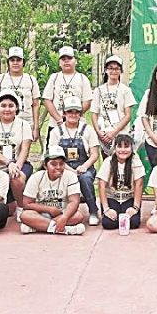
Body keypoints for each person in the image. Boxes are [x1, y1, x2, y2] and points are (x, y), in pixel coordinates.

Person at [48, 96, 101, 225]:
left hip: (84, 165)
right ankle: (54, 210)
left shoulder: (88, 130)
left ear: (80, 113)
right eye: (70, 111)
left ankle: (93, 211)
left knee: (86, 178)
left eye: (76, 111)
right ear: (64, 113)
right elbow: (53, 156)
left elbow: (95, 154)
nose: (73, 114)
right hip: (62, 166)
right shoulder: (56, 132)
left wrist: (84, 166)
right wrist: (68, 169)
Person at [0, 91, 34, 217]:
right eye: (3, 105)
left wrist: (16, 166)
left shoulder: (24, 125)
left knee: (17, 177)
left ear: (16, 107)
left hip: (20, 164)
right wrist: (8, 163)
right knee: (5, 210)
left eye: (11, 105)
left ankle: (21, 207)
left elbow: (25, 149)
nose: (7, 109)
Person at [19, 145, 87, 235]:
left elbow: (74, 202)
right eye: (53, 164)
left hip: (63, 212)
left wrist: (64, 217)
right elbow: (27, 203)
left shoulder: (71, 176)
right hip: (41, 214)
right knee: (25, 215)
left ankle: (38, 227)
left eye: (61, 164)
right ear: (45, 165)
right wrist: (49, 209)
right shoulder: (36, 177)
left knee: (78, 216)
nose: (58, 167)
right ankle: (64, 230)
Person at [43, 45, 93, 145]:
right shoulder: (54, 77)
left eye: (69, 58)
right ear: (59, 62)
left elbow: (87, 101)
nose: (66, 61)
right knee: (52, 155)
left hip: (78, 126)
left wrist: (73, 117)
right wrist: (59, 119)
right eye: (63, 59)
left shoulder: (82, 78)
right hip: (56, 124)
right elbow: (47, 100)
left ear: (75, 61)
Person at [0, 46, 42, 143]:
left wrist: (36, 127)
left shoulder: (31, 79)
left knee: (24, 151)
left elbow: (35, 105)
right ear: (8, 62)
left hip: (26, 121)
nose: (15, 63)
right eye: (12, 60)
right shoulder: (0, 79)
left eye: (18, 60)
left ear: (23, 62)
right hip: (5, 121)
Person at [96, 134, 146, 231]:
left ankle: (122, 214)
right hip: (112, 198)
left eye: (126, 146)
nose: (123, 150)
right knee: (108, 223)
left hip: (129, 198)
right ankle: (117, 214)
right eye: (119, 146)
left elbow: (139, 184)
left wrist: (135, 208)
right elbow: (101, 185)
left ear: (132, 148)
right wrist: (106, 209)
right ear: (114, 148)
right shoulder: (108, 161)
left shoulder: (136, 161)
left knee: (133, 223)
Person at [90, 54, 136, 157]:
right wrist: (98, 132)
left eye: (116, 68)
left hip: (121, 134)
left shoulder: (125, 90)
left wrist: (114, 132)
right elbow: (94, 113)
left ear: (121, 71)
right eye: (110, 68)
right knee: (107, 164)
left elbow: (128, 115)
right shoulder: (98, 90)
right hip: (104, 135)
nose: (113, 71)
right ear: (106, 70)